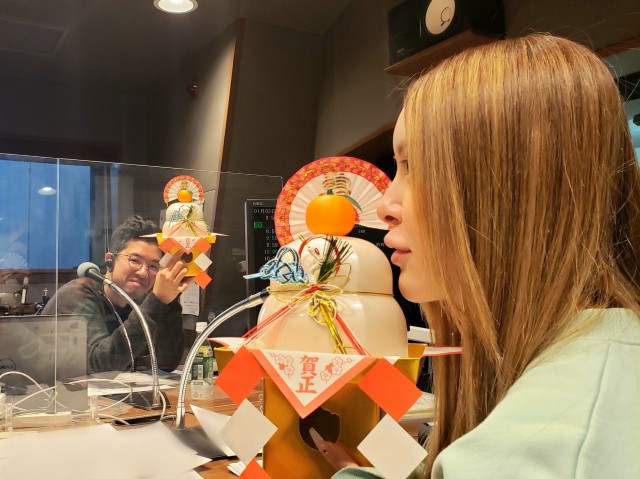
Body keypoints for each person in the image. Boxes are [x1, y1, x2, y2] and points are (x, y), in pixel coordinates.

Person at [331, 34, 640, 478]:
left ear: (511, 189)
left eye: (414, 165)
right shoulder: (592, 353)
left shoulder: (560, 434)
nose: (384, 207)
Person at [43, 215, 189, 374]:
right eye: (135, 260)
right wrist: (157, 301)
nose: (143, 273)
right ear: (110, 260)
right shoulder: (76, 295)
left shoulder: (140, 301)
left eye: (153, 266)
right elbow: (99, 365)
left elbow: (166, 363)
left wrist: (169, 300)